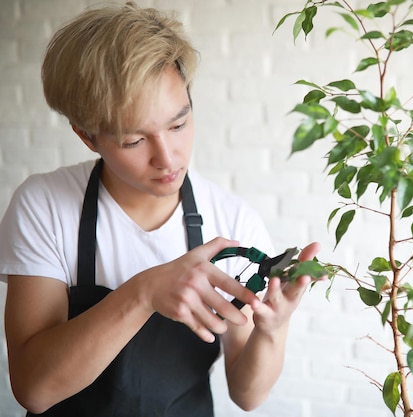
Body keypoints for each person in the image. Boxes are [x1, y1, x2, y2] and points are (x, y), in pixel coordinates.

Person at [0, 2, 320, 416]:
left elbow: (247, 395)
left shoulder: (231, 219)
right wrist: (144, 293)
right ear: (87, 137)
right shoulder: (44, 205)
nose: (167, 158)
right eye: (134, 141)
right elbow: (34, 390)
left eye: (178, 124)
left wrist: (272, 329)